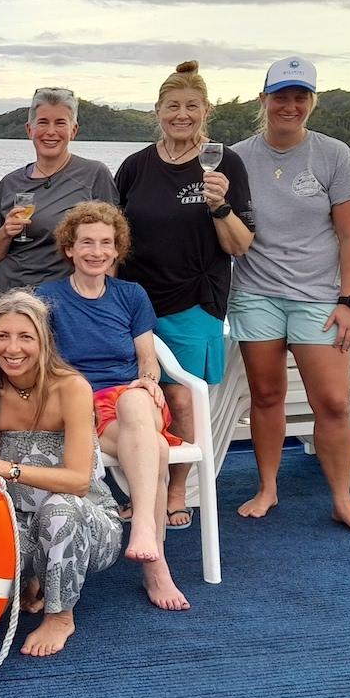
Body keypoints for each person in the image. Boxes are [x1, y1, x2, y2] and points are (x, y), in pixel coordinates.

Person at [230, 57, 350, 538]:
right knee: (267, 395)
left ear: (311, 102)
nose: (289, 106)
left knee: (334, 402)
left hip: (319, 299)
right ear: (263, 100)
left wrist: (349, 300)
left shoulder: (333, 154)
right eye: (281, 96)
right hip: (255, 293)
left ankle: (342, 501)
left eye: (300, 97)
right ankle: (268, 487)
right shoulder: (237, 157)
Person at [0, 290, 126, 656]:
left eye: (25, 337)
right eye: (3, 336)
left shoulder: (71, 387)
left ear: (43, 341)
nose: (14, 348)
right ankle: (32, 579)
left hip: (85, 519)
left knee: (59, 509)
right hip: (20, 518)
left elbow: (77, 481)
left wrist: (5, 468)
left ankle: (60, 616)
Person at [114, 60, 255, 527]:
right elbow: (114, 237)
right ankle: (141, 486)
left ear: (205, 110)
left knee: (180, 400)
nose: (181, 115)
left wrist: (220, 206)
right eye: (172, 106)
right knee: (131, 398)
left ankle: (177, 490)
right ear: (157, 110)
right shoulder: (135, 167)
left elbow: (239, 245)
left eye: (191, 106)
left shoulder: (223, 161)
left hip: (195, 299)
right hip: (134, 302)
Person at [40, 202, 191, 610]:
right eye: (86, 242)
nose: (96, 251)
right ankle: (155, 567)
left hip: (133, 399)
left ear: (117, 249)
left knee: (137, 402)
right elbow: (45, 363)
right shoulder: (48, 297)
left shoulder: (131, 294)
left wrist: (148, 379)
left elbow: (147, 357)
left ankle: (140, 525)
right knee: (155, 450)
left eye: (106, 243)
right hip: (84, 405)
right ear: (69, 248)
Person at [0, 87, 118, 296]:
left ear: (73, 131)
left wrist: (102, 302)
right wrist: (6, 232)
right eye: (43, 122)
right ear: (30, 129)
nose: (51, 132)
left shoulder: (93, 175)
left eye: (60, 123)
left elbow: (111, 249)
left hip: (65, 300)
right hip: (8, 298)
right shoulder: (10, 182)